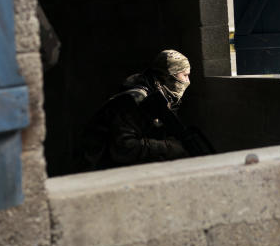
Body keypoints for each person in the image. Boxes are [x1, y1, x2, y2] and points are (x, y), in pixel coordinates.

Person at [81, 49, 214, 170]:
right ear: (166, 77)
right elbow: (123, 147)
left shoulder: (160, 96)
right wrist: (168, 147)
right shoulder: (136, 100)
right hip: (98, 167)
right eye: (184, 75)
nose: (188, 81)